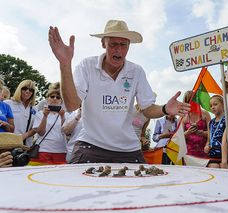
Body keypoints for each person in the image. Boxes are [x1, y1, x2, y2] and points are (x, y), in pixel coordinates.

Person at [48, 19, 190, 164]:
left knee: (144, 185)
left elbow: (147, 109)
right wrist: (65, 64)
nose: (118, 50)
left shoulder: (136, 71)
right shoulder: (87, 66)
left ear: (129, 46)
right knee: (78, 185)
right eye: (113, 44)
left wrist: (165, 108)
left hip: (128, 149)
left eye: (123, 45)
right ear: (103, 43)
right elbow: (72, 105)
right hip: (91, 145)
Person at [31, 87, 67, 165]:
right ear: (47, 99)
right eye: (52, 96)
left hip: (60, 150)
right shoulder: (40, 113)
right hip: (43, 149)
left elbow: (66, 132)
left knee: (60, 176)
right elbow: (40, 133)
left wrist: (62, 117)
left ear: (61, 101)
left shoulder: (65, 114)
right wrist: (45, 116)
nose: (55, 99)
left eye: (58, 97)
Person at [5, 80, 37, 147]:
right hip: (7, 143)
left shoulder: (34, 108)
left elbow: (35, 128)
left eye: (31, 90)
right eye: (24, 88)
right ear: (19, 89)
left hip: (26, 146)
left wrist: (25, 135)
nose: (27, 91)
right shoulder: (8, 103)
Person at [204, 95, 228, 169]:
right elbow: (209, 140)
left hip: (225, 154)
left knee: (225, 173)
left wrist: (224, 161)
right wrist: (207, 146)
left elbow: (225, 140)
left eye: (215, 104)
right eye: (211, 106)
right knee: (214, 168)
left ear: (223, 104)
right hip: (213, 155)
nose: (213, 107)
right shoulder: (210, 123)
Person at [181, 91, 211, 158]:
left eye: (193, 100)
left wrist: (203, 133)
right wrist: (188, 132)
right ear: (185, 102)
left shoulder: (205, 114)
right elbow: (178, 137)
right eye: (188, 100)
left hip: (204, 150)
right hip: (188, 153)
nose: (191, 102)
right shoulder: (182, 117)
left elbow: (212, 132)